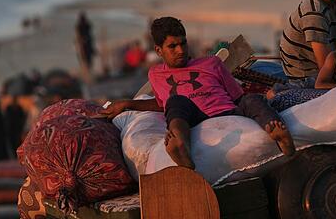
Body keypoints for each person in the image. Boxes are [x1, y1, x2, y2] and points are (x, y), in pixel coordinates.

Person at [99, 17, 295, 169]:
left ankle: (277, 132)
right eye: (172, 46)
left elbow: (237, 96)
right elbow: (163, 104)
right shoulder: (156, 74)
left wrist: (250, 103)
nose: (180, 50)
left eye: (183, 43)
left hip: (226, 110)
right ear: (159, 50)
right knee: (175, 101)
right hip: (194, 118)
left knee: (252, 99)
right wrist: (127, 104)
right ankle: (180, 145)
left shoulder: (211, 63)